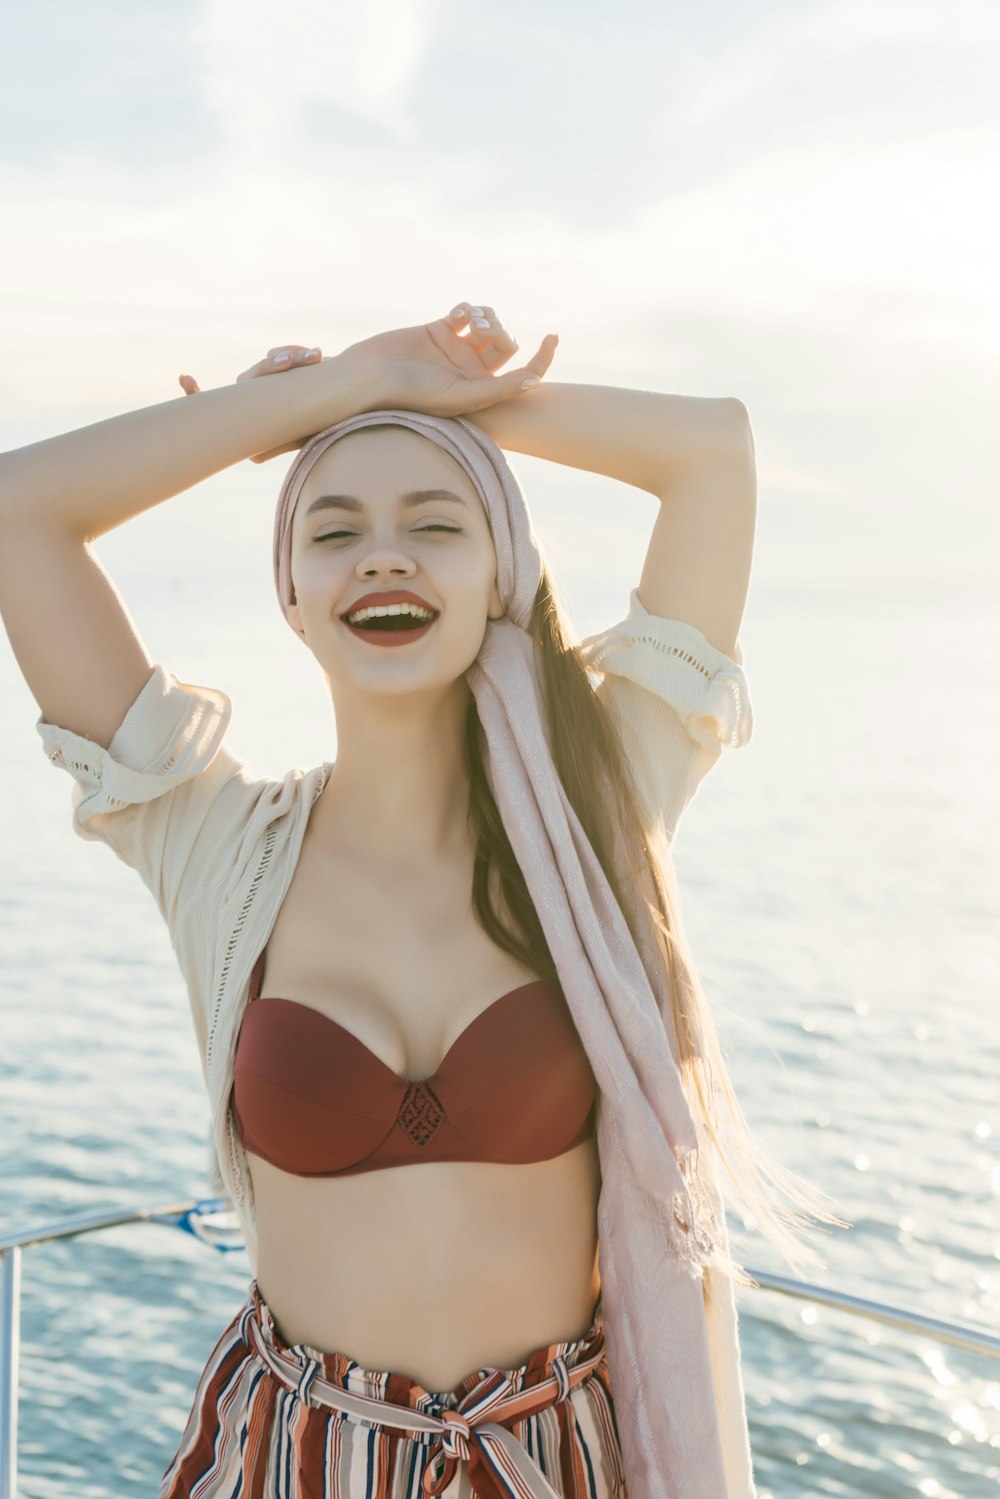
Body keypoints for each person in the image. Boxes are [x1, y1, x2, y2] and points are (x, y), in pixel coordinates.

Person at [0, 302, 848, 1498]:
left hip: (554, 1459)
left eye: (437, 523)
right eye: (334, 530)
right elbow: (19, 512)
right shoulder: (214, 841)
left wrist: (429, 394)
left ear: (502, 567)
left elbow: (712, 454)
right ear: (290, 591)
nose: (383, 557)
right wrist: (319, 394)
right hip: (296, 1456)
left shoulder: (595, 806)